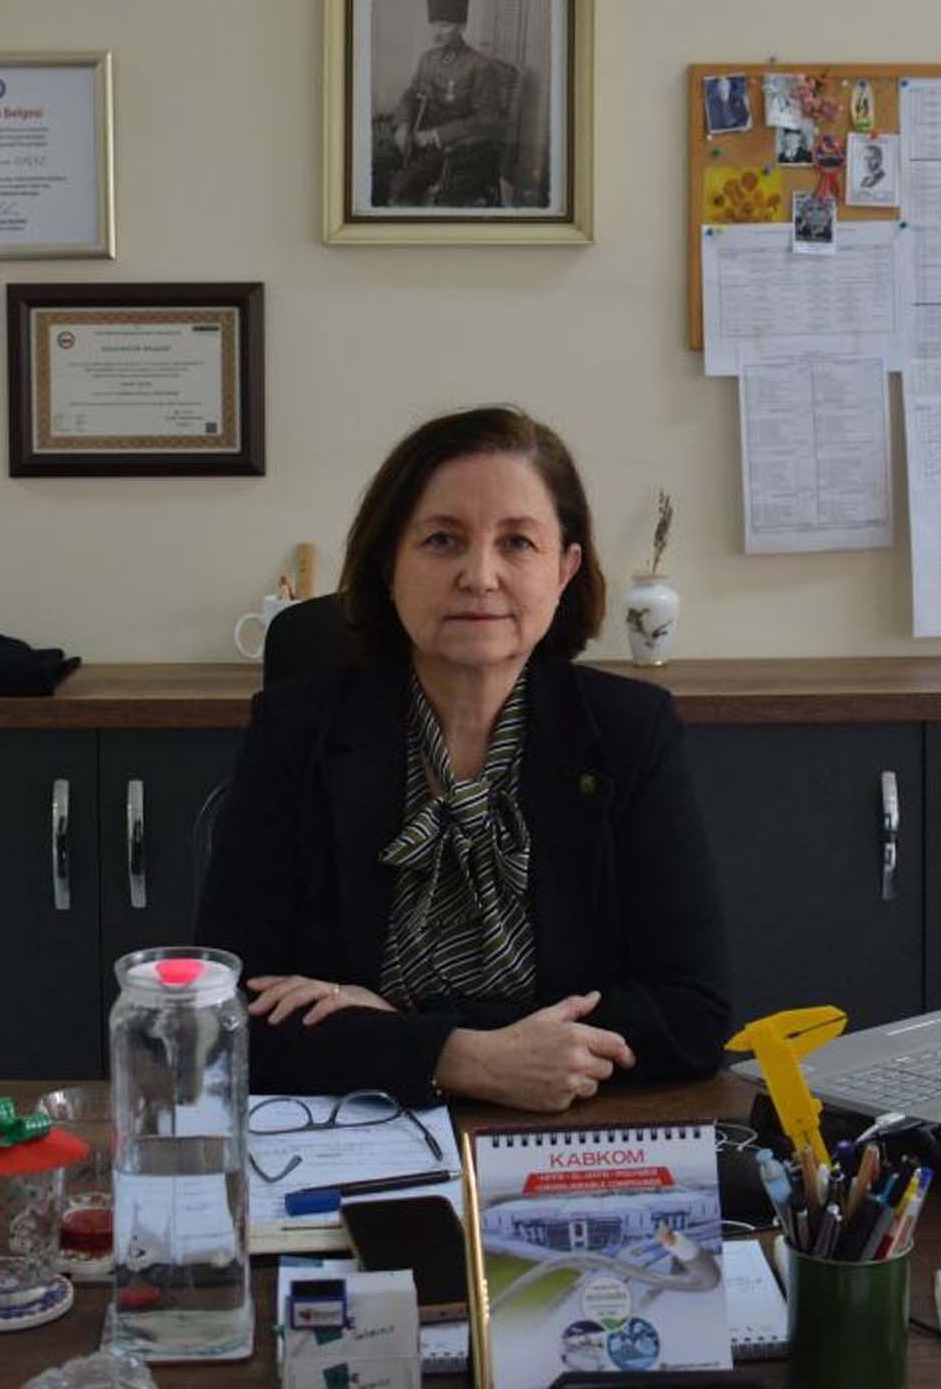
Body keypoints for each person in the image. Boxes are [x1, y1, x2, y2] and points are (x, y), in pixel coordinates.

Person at [194, 407, 732, 1112]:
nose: (479, 576)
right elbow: (226, 1012)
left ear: (564, 570)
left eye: (517, 543)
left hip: (565, 1134)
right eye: (442, 540)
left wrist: (393, 1028)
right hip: (353, 1134)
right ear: (389, 564)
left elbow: (691, 1014)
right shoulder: (299, 729)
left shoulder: (629, 732)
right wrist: (463, 1058)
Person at [387, 0, 519, 207]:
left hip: (457, 146)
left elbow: (487, 119)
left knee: (402, 187)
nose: (437, 33)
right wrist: (402, 124)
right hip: (418, 134)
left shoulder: (480, 66)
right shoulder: (428, 59)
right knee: (375, 162)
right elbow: (411, 94)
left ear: (462, 27)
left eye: (445, 26)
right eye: (434, 25)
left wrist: (435, 136)